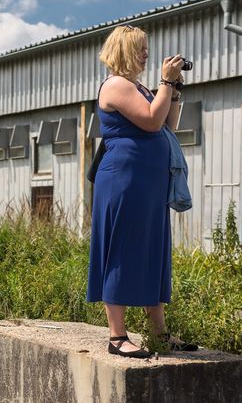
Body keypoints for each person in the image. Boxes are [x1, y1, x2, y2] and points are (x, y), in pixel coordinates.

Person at [87, 25, 197, 358]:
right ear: (122, 51)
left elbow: (168, 124)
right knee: (122, 247)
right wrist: (164, 83)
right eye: (140, 48)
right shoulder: (116, 85)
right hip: (124, 178)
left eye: (146, 48)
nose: (146, 54)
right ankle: (117, 336)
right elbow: (150, 121)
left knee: (152, 248)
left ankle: (158, 333)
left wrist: (173, 89)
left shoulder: (139, 87)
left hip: (147, 182)